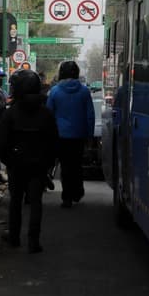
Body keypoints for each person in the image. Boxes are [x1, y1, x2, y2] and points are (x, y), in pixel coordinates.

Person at [0, 69, 59, 253]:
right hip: (39, 165)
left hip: (17, 164)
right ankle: (34, 241)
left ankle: (14, 237)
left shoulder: (11, 113)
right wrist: (47, 164)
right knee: (36, 202)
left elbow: (1, 143)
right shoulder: (46, 113)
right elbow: (54, 141)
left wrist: (8, 161)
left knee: (15, 201)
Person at [46, 61, 95, 208]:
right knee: (77, 164)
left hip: (60, 135)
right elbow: (90, 115)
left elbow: (49, 114)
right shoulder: (84, 91)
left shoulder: (54, 91)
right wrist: (90, 135)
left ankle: (66, 196)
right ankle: (78, 191)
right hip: (79, 134)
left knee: (65, 166)